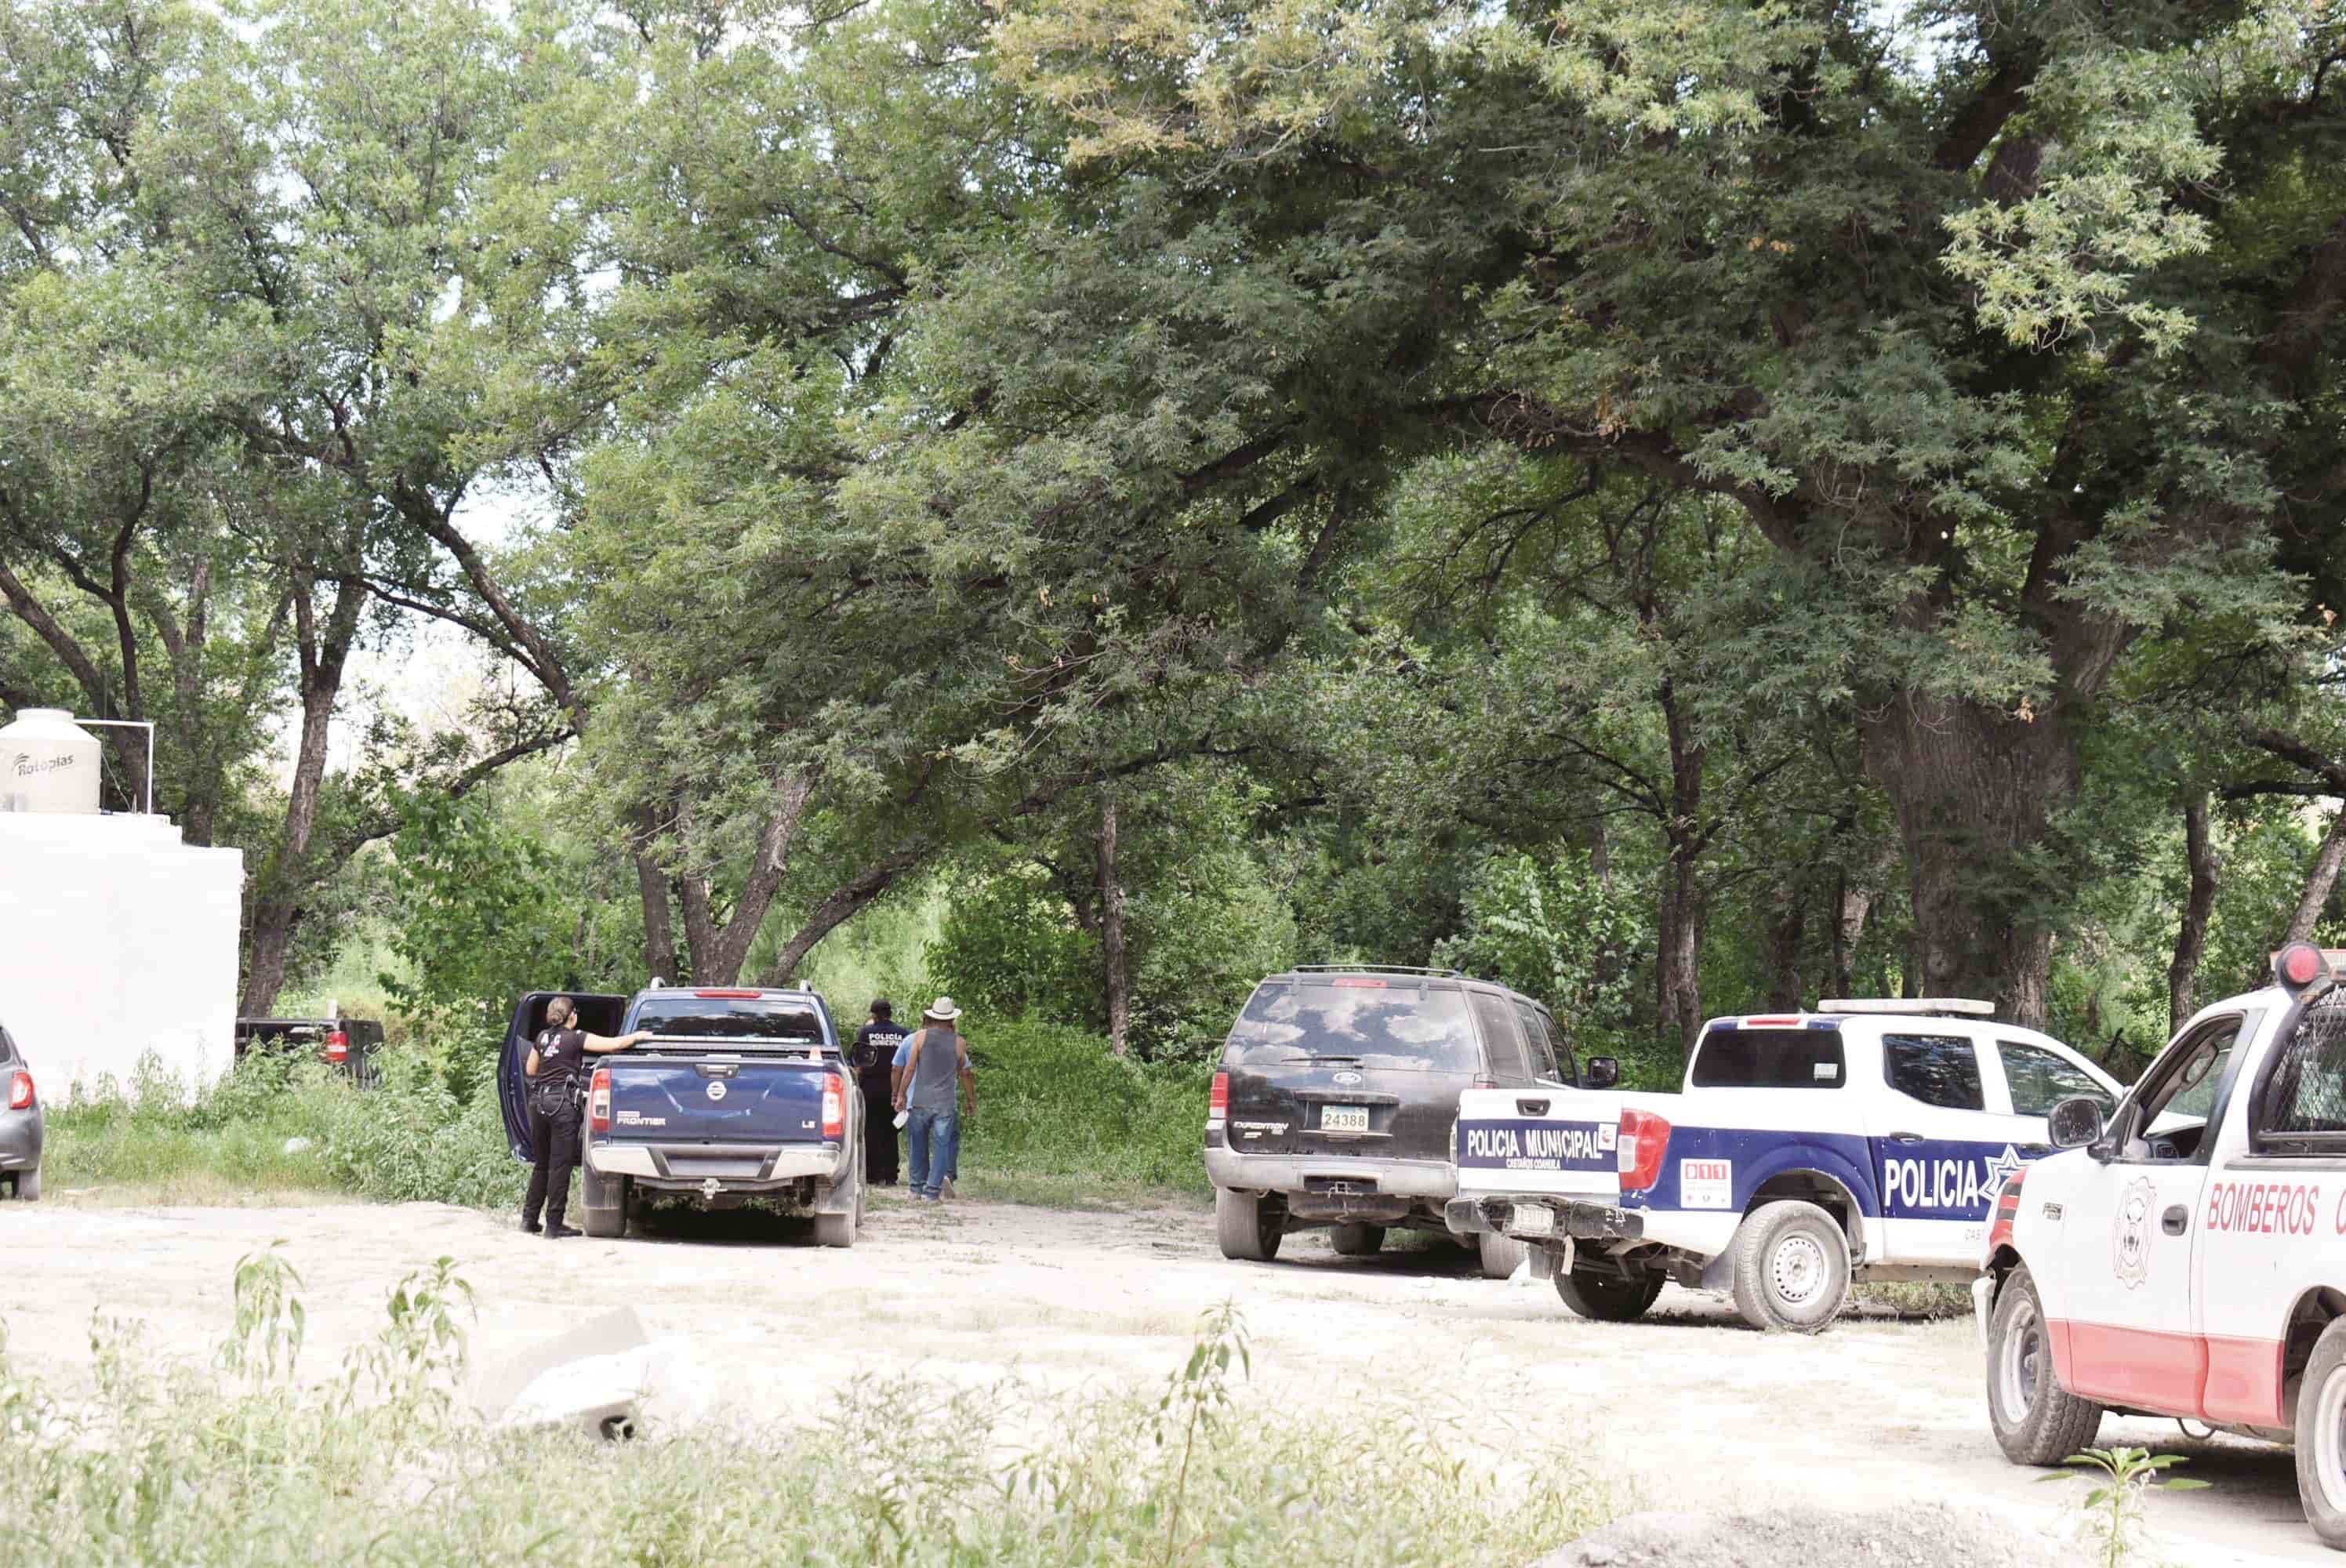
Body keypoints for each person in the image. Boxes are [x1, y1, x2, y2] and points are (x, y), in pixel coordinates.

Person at [520, 996, 650, 1237]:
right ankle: (554, 1225)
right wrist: (637, 1036)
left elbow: (530, 1070)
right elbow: (612, 1045)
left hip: (539, 1104)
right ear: (573, 1017)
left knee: (542, 1164)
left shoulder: (542, 1037)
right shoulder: (577, 1037)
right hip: (562, 1105)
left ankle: (529, 1220)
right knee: (560, 1165)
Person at [892, 996, 975, 1203]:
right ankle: (932, 1193)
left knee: (918, 1146)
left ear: (932, 1016)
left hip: (920, 1100)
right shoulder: (959, 1042)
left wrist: (901, 1095)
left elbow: (910, 1068)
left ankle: (915, 1189)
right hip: (945, 1104)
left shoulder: (919, 1038)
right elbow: (965, 1074)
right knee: (941, 1146)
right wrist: (971, 1100)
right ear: (951, 1019)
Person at [852, 999, 908, 1186]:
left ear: (874, 1015)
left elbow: (859, 1062)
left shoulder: (867, 1032)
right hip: (896, 1088)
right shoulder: (903, 1034)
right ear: (890, 1013)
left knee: (870, 1130)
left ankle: (872, 1174)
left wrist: (856, 1084)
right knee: (891, 1131)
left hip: (871, 1087)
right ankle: (891, 1174)